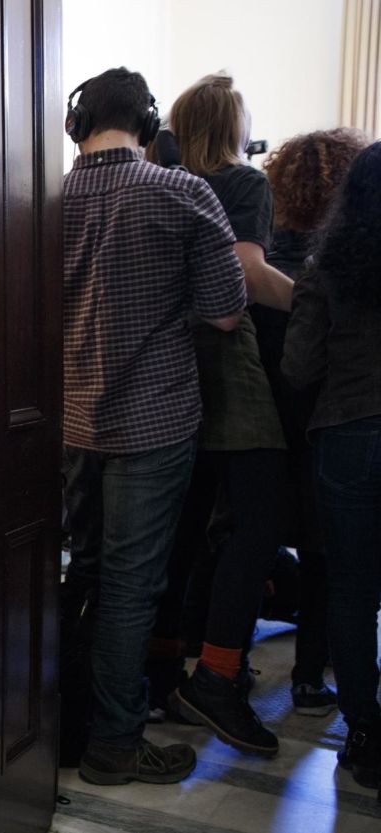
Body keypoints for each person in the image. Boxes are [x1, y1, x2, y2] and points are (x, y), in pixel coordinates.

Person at [58, 67, 247, 785]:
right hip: (154, 415)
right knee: (134, 588)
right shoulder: (183, 191)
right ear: (149, 123)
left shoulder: (45, 201)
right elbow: (226, 311)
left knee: (92, 572)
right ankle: (114, 739)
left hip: (74, 416)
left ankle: (73, 722)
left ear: (79, 125)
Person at [154, 73, 290, 758]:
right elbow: (248, 273)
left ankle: (168, 668)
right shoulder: (241, 183)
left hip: (172, 366)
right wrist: (313, 300)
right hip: (228, 363)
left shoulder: (163, 182)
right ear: (233, 126)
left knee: (191, 524)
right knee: (260, 520)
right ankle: (215, 675)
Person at [256, 129, 369, 717]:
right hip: (330, 425)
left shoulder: (272, 255)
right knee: (337, 569)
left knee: (273, 548)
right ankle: (314, 675)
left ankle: (228, 660)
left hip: (281, 426)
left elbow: (290, 363)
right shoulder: (337, 264)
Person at [284, 140, 381, 795]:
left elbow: (297, 368)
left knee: (351, 591)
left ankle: (366, 736)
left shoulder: (329, 265)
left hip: (349, 433)